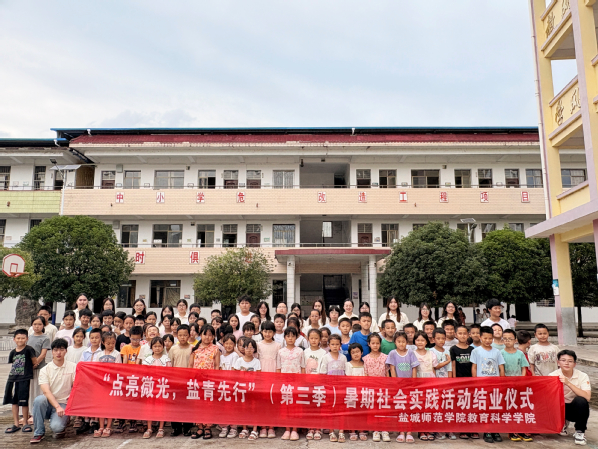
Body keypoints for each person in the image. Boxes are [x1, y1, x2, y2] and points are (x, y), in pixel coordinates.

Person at [29, 338, 76, 444]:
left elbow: (75, 387)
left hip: (64, 403)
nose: (58, 353)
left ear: (66, 351)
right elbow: (46, 391)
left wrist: (68, 404)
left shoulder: (73, 367)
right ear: (52, 352)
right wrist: (57, 406)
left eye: (61, 349)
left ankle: (64, 421)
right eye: (55, 350)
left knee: (57, 428)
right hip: (49, 403)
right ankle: (38, 432)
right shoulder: (45, 369)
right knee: (39, 400)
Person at [471, 326, 505, 444]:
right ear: (480, 337)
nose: (487, 340)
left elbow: (501, 367)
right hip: (482, 384)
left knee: (495, 407)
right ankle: (487, 430)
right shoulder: (475, 351)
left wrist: (502, 381)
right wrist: (475, 382)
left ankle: (495, 430)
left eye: (490, 338)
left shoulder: (497, 351)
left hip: (495, 384)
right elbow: (474, 367)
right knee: (485, 408)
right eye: (485, 338)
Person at [549, 350, 591, 446]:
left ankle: (580, 432)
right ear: (558, 362)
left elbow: (587, 397)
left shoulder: (582, 376)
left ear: (575, 364)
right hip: (558, 408)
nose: (566, 363)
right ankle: (561, 422)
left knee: (581, 401)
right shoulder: (552, 375)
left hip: (573, 409)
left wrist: (568, 383)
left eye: (570, 361)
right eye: (563, 360)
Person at [498, 329, 532, 442]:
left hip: (518, 385)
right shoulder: (501, 353)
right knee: (509, 408)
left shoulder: (520, 353)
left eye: (510, 339)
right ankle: (512, 430)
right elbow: (500, 369)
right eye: (505, 339)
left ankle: (521, 429)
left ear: (515, 340)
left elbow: (523, 367)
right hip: (506, 385)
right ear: (502, 340)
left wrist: (522, 380)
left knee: (520, 407)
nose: (507, 341)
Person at [189, 325, 219, 440]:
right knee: (197, 404)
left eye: (210, 335)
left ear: (213, 337)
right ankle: (199, 427)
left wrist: (215, 380)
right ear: (200, 335)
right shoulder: (194, 348)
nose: (207, 337)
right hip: (196, 381)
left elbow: (217, 366)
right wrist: (190, 379)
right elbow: (190, 365)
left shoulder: (215, 349)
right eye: (205, 334)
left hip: (209, 382)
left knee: (208, 405)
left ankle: (208, 427)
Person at [4, 329, 36, 434]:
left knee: (24, 401)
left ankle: (25, 423)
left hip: (24, 379)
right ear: (14, 339)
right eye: (18, 338)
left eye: (23, 338)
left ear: (27, 339)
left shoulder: (29, 349)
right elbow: (12, 364)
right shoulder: (12, 352)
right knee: (14, 401)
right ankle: (16, 423)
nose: (20, 340)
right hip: (13, 379)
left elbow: (34, 362)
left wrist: (27, 371)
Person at [387, 331, 417, 442]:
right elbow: (392, 369)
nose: (401, 344)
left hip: (409, 386)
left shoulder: (411, 353)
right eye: (398, 341)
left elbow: (414, 368)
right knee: (400, 409)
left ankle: (409, 432)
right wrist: (396, 383)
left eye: (403, 341)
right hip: (398, 387)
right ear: (395, 342)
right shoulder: (392, 353)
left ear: (407, 342)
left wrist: (413, 382)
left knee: (410, 409)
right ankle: (401, 432)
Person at [450, 324, 477, 440]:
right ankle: (463, 429)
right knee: (461, 405)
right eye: (460, 333)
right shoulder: (453, 349)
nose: (462, 335)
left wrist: (474, 380)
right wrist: (454, 380)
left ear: (468, 335)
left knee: (471, 405)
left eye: (464, 333)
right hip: (459, 382)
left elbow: (474, 366)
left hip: (470, 381)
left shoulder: (472, 349)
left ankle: (473, 429)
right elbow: (453, 365)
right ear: (456, 335)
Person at [276, 327, 304, 441]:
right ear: (285, 337)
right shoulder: (280, 352)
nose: (290, 338)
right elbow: (278, 368)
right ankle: (287, 429)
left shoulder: (300, 351)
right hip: (284, 382)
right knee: (286, 405)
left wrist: (302, 382)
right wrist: (279, 383)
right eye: (288, 336)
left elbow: (303, 367)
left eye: (293, 336)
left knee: (295, 406)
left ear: (296, 337)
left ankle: (295, 429)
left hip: (296, 381)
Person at [319, 334, 347, 443]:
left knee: (341, 410)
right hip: (330, 389)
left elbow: (346, 373)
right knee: (330, 410)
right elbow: (322, 374)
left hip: (341, 388)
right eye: (333, 344)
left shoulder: (343, 358)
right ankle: (331, 431)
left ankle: (341, 431)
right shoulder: (325, 357)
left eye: (337, 344)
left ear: (340, 345)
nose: (335, 346)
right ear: (329, 345)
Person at [142, 337, 171, 439]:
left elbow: (169, 373)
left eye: (159, 346)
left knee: (161, 407)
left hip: (162, 387)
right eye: (155, 346)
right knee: (149, 407)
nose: (157, 348)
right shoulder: (147, 360)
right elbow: (143, 373)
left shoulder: (166, 359)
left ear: (163, 347)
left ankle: (161, 428)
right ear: (151, 347)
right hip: (150, 386)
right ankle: (149, 428)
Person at [362, 334, 389, 442]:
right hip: (371, 388)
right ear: (369, 344)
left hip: (383, 387)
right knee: (373, 409)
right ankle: (375, 430)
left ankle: (385, 430)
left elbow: (387, 373)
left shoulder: (385, 357)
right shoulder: (365, 359)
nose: (375, 345)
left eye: (377, 343)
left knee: (383, 409)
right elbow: (365, 374)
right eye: (373, 343)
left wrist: (388, 386)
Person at [233, 339, 261, 440]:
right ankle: (245, 428)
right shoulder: (239, 361)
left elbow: (259, 375)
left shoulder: (257, 361)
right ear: (243, 349)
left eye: (251, 347)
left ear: (254, 349)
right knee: (243, 408)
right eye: (246, 347)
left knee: (254, 408)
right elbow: (235, 374)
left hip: (253, 389)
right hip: (242, 388)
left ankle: (254, 429)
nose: (249, 350)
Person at [169, 325, 194, 437]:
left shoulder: (193, 348)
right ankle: (176, 427)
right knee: (175, 405)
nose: (182, 337)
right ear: (177, 336)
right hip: (176, 381)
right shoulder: (173, 349)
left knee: (188, 405)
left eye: (185, 335)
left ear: (189, 335)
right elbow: (170, 364)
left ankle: (187, 427)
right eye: (180, 335)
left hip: (188, 381)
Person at [27, 316, 51, 425]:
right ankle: (28, 413)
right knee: (29, 391)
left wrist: (35, 363)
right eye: (35, 324)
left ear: (43, 325)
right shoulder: (29, 337)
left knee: (38, 391)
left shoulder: (45, 338)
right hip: (28, 369)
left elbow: (43, 353)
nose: (37, 326)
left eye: (39, 324)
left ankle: (36, 414)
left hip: (39, 368)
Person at [304, 329, 326, 441]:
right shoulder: (305, 352)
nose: (313, 340)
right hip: (307, 383)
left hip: (318, 383)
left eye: (316, 338)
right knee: (309, 406)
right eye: (311, 338)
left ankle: (318, 428)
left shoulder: (323, 353)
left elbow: (323, 368)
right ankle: (310, 428)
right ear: (308, 339)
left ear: (320, 339)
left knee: (318, 406)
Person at [218, 333, 239, 439]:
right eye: (226, 343)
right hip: (223, 385)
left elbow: (234, 370)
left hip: (231, 384)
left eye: (231, 343)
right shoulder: (221, 356)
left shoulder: (235, 355)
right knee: (224, 406)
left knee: (232, 406)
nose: (229, 346)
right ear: (223, 344)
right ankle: (224, 426)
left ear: (234, 344)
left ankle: (233, 427)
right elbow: (220, 369)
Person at [344, 343, 366, 442]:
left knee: (362, 412)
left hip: (363, 392)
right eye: (353, 352)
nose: (356, 354)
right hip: (352, 392)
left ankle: (361, 430)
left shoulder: (365, 364)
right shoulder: (348, 365)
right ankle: (352, 431)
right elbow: (347, 379)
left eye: (357, 352)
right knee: (352, 412)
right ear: (350, 354)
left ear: (362, 352)